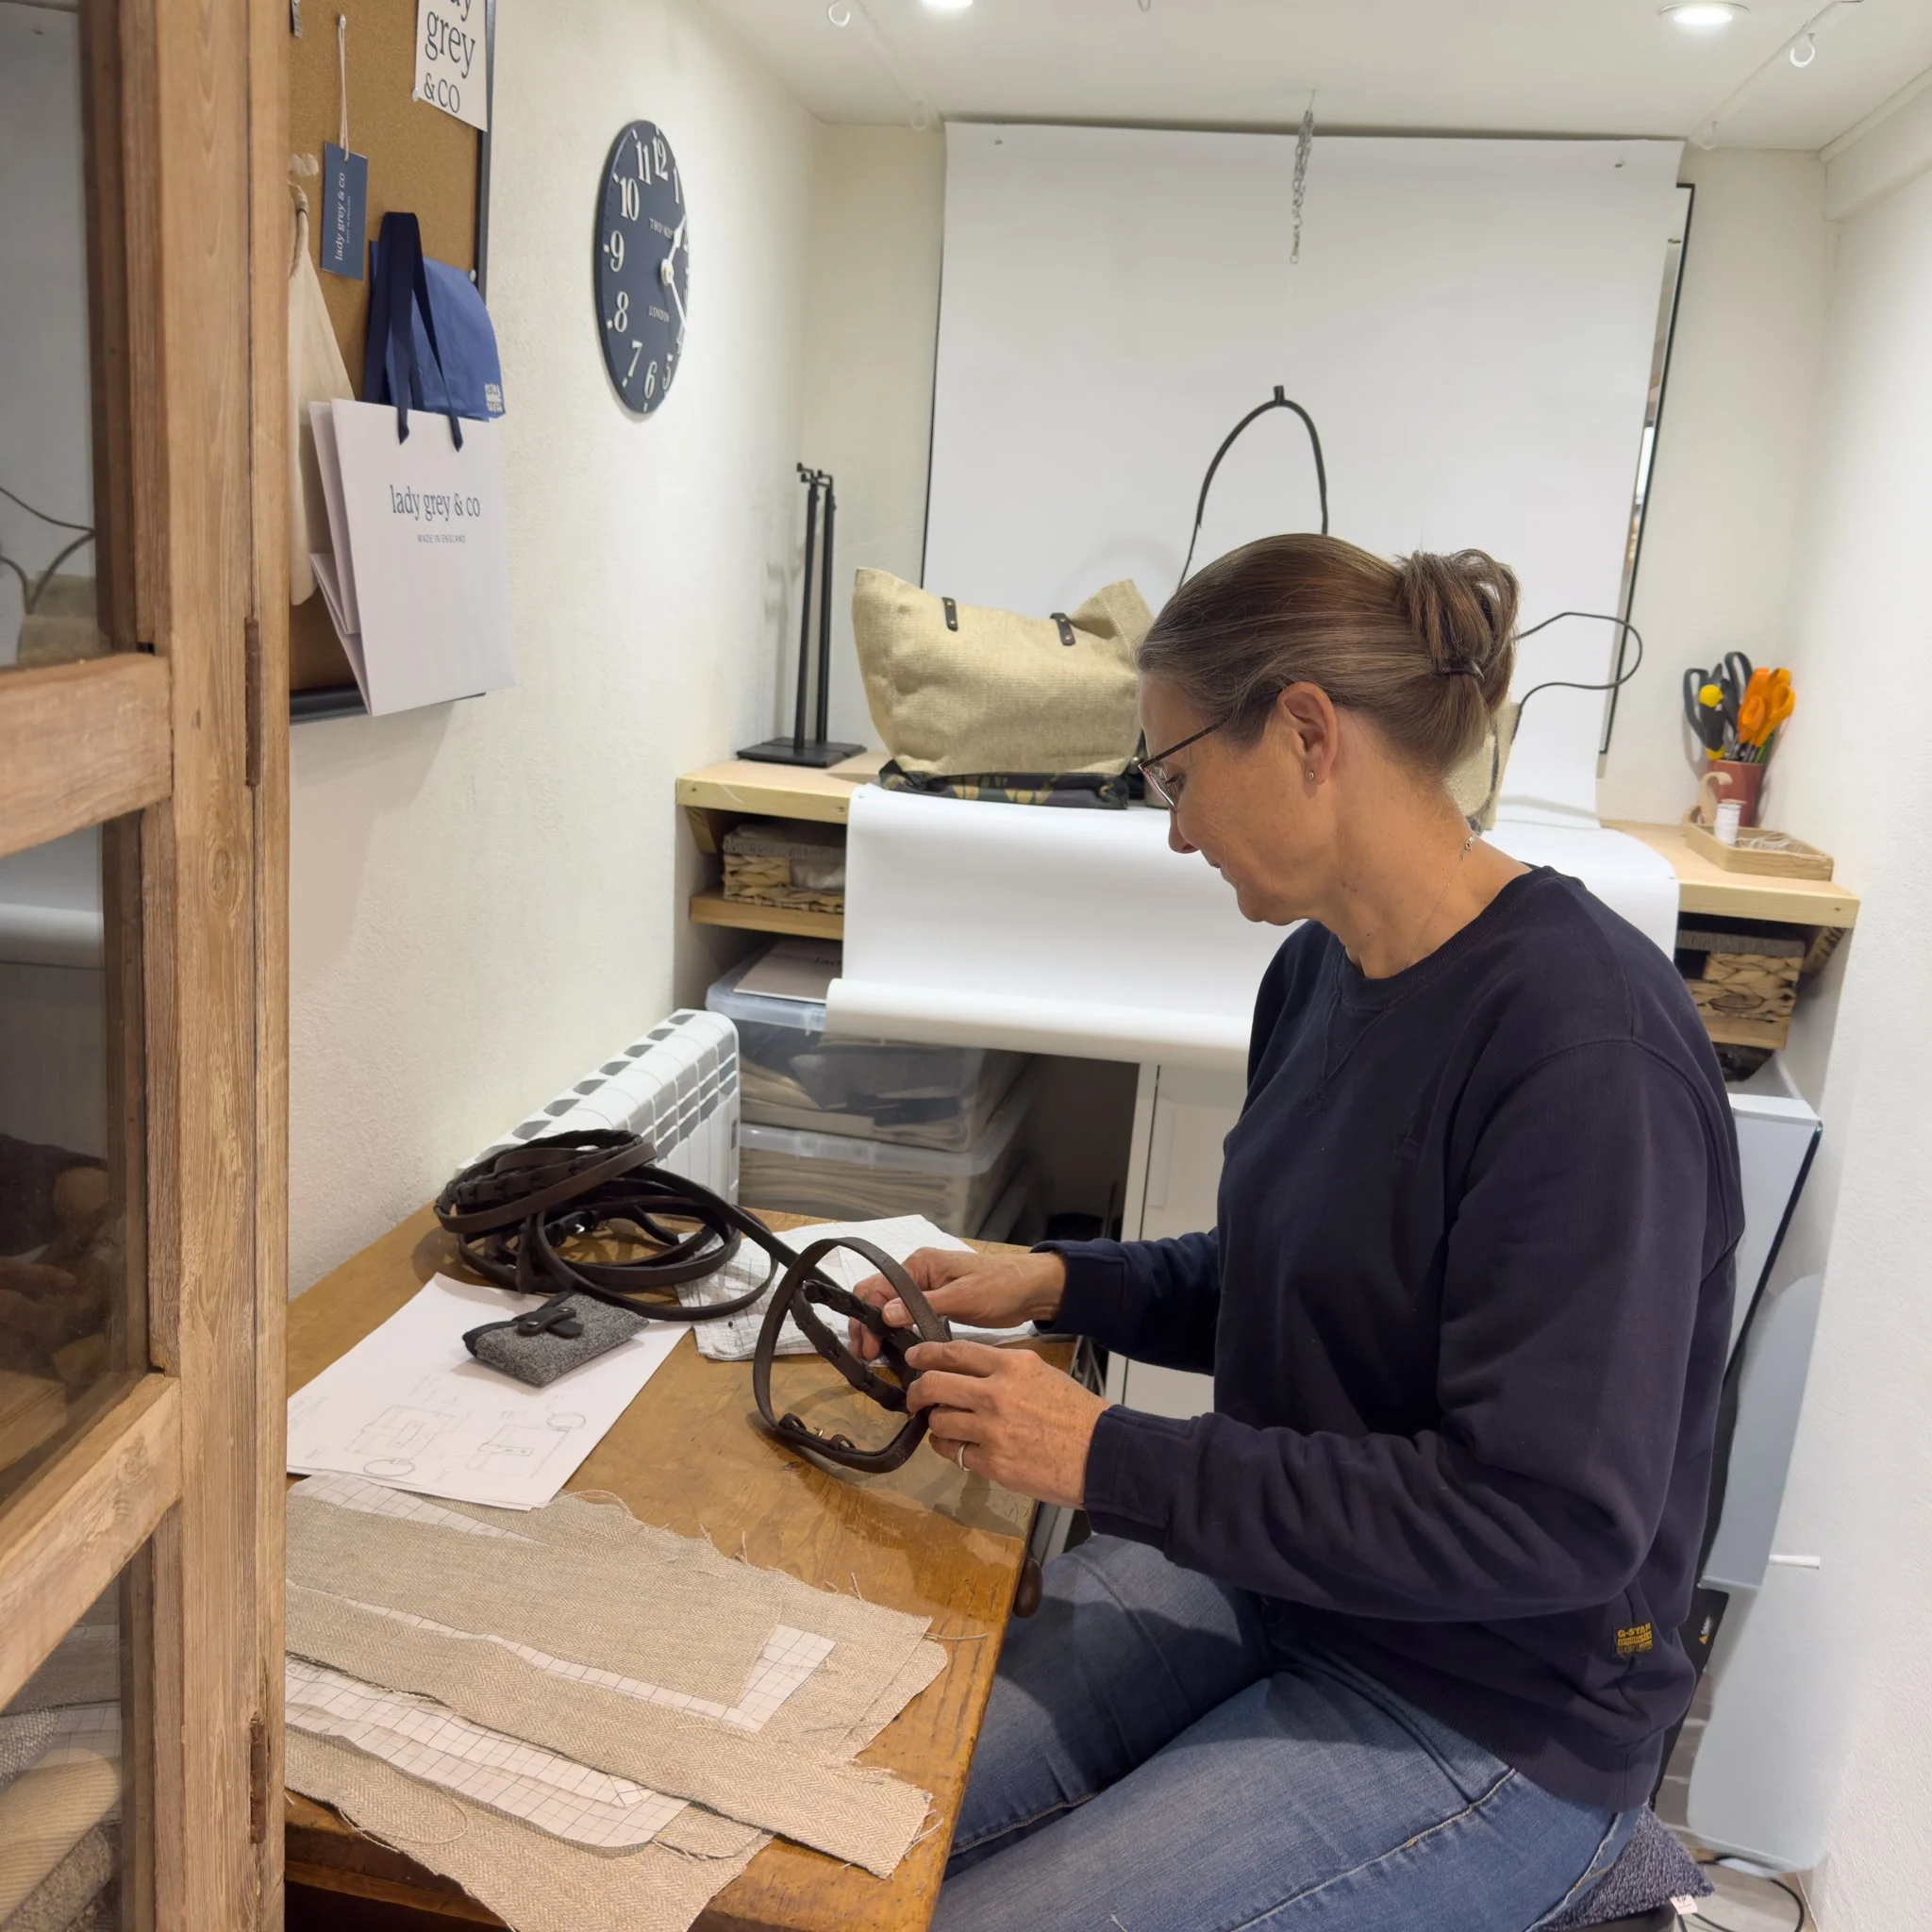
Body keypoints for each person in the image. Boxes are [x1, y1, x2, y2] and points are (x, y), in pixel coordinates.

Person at [851, 534, 1742, 1932]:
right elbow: (1294, 1282)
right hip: (1291, 1582)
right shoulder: (1318, 970)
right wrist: (1059, 1282)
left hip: (1495, 1708)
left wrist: (1107, 1455)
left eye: (1178, 772)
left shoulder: (1586, 1055)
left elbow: (1549, 1519)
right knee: (848, 1817)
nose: (1178, 828)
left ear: (1309, 732)